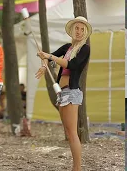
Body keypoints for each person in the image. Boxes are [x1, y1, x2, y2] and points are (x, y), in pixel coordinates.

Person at [35, 16, 92, 171]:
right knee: (68, 132)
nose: (79, 32)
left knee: (72, 133)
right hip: (62, 93)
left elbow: (72, 65)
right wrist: (43, 64)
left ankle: (77, 168)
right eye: (76, 28)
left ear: (85, 32)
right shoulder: (67, 47)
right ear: (72, 30)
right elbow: (49, 57)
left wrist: (50, 57)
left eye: (82, 29)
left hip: (72, 93)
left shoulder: (84, 49)